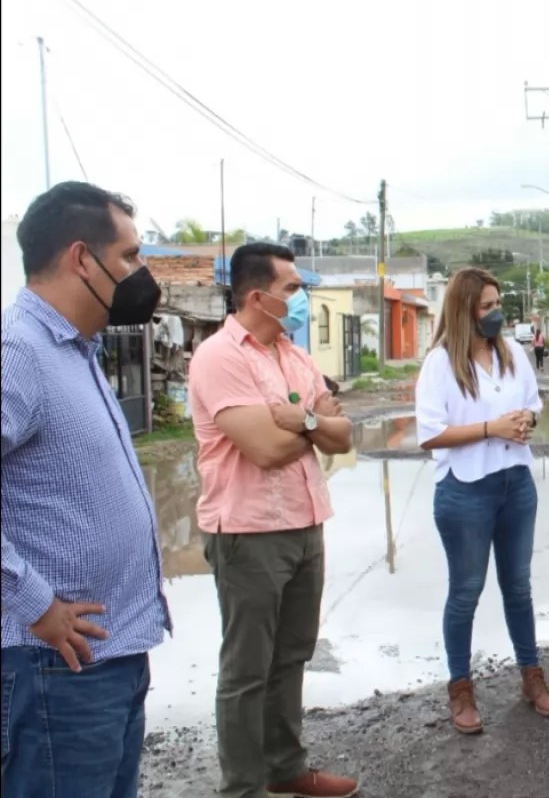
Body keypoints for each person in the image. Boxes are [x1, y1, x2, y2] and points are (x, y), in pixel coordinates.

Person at [1, 181, 171, 798]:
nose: (141, 272)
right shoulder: (17, 351)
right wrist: (35, 604)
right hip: (56, 667)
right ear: (81, 258)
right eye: (129, 255)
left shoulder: (77, 351)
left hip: (110, 658)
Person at [188, 243, 358, 798]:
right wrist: (313, 424)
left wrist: (300, 420)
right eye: (292, 289)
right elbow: (263, 449)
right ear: (259, 297)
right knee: (247, 670)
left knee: (291, 656)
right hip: (248, 532)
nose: (301, 298)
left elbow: (343, 435)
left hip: (306, 523)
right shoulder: (219, 357)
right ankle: (243, 787)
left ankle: (286, 769)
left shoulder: (293, 355)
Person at [415, 267, 549, 734]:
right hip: (465, 490)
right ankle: (461, 689)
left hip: (516, 484)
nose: (496, 313)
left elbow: (534, 406)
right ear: (464, 310)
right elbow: (430, 434)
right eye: (487, 306)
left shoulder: (512, 352)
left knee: (518, 587)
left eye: (498, 304)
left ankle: (532, 677)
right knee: (465, 592)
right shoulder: (440, 363)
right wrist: (491, 428)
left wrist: (524, 422)